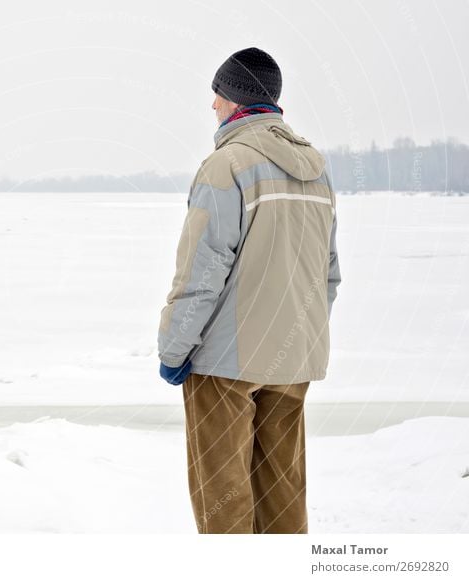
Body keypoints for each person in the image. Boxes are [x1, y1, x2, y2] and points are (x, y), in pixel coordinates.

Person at [156, 47, 341, 534]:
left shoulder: (227, 166)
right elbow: (328, 273)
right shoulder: (317, 170)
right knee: (282, 494)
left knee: (223, 496)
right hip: (293, 358)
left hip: (223, 364)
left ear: (235, 100)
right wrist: (297, 333)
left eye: (217, 95)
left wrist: (175, 350)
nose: (212, 106)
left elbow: (201, 272)